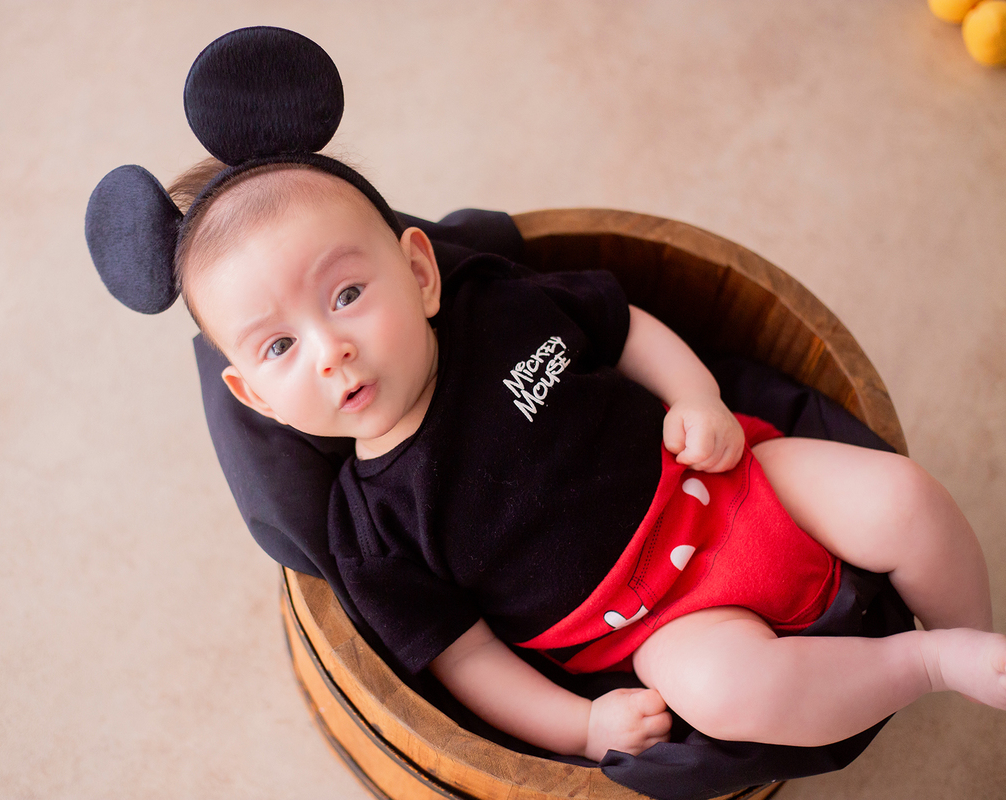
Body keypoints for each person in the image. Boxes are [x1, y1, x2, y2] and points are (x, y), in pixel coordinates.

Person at [167, 157, 1005, 763]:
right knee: (730, 692)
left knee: (901, 498)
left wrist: (696, 398)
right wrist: (582, 727)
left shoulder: (497, 311)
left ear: (421, 272)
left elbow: (623, 326)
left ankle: (974, 635)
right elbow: (467, 659)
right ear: (256, 398)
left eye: (347, 295)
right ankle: (925, 664)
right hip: (653, 626)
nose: (331, 351)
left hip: (730, 478)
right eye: (279, 346)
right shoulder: (371, 530)